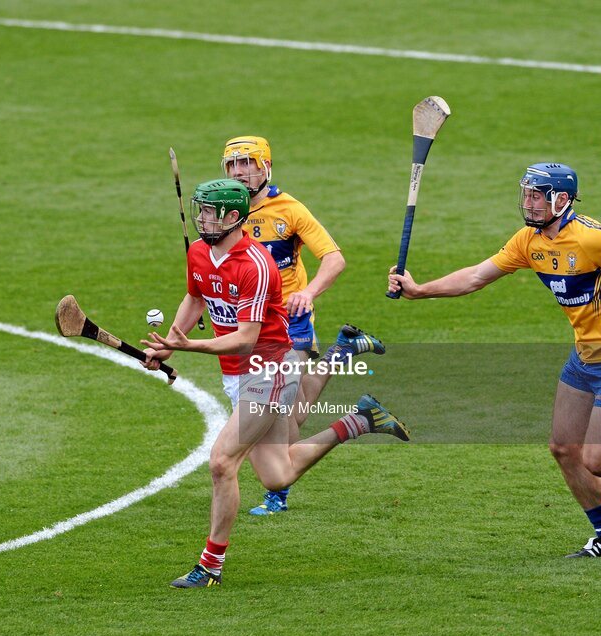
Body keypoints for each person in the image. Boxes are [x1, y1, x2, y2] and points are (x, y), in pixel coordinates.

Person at [387, 162, 601, 558]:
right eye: (525, 193)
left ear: (561, 200)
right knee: (564, 449)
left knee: (600, 459)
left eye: (536, 195)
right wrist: (421, 290)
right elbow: (476, 276)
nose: (528, 203)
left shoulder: (591, 238)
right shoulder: (529, 241)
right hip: (583, 358)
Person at [143, 179, 409, 588]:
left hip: (268, 369)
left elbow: (247, 337)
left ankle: (210, 566)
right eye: (199, 210)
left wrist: (190, 344)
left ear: (234, 217)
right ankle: (359, 421)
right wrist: (169, 346)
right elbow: (195, 298)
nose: (201, 217)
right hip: (237, 375)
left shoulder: (255, 264)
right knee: (276, 476)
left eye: (209, 212)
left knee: (221, 462)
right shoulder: (199, 252)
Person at [222, 135, 376, 516]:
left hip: (291, 324)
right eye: (232, 165)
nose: (240, 172)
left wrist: (308, 292)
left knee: (281, 414)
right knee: (289, 412)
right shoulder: (225, 210)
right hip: (253, 327)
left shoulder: (288, 209)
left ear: (265, 167)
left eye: (247, 164)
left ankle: (278, 490)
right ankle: (341, 353)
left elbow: (334, 259)